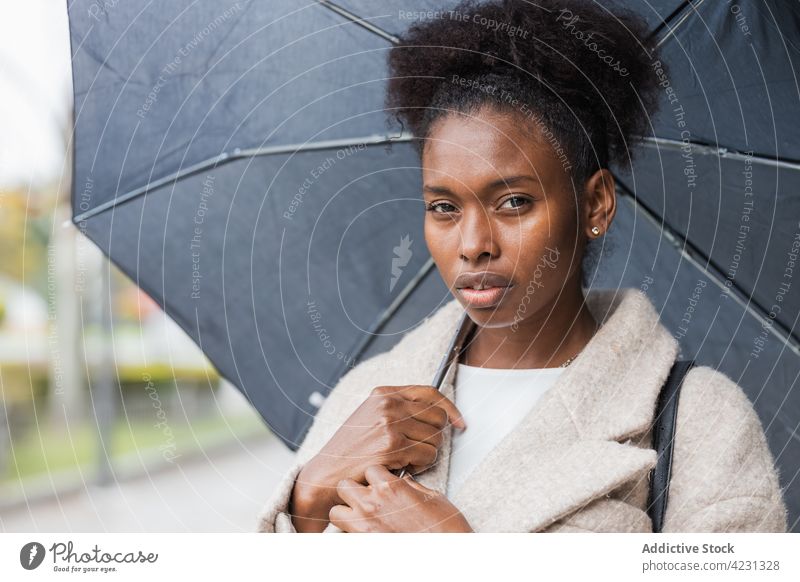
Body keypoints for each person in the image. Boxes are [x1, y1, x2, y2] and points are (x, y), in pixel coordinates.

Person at [257, 0, 788, 533]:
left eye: (513, 202)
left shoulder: (699, 419)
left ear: (596, 203)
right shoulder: (368, 397)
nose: (473, 245)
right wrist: (307, 499)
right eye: (444, 207)